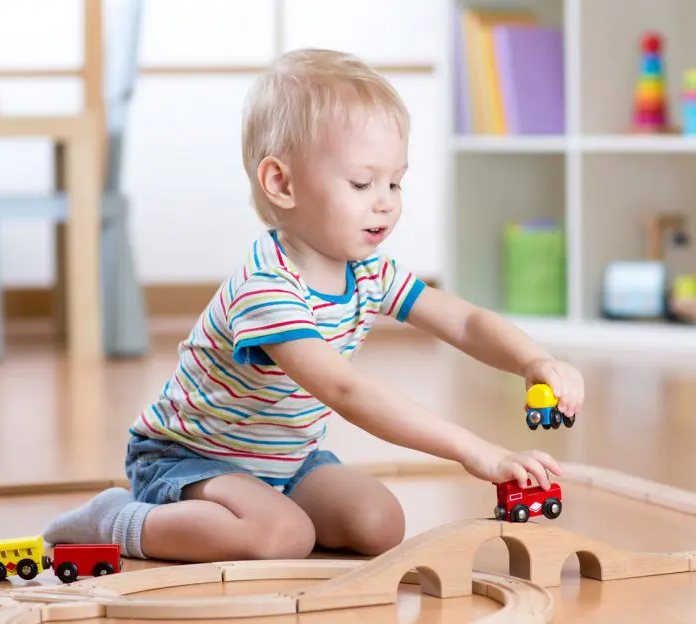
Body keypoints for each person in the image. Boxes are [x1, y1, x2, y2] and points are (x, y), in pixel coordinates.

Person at [42, 48, 584, 563]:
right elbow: (347, 390)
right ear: (281, 182)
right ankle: (113, 520)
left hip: (286, 460)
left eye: (396, 182)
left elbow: (463, 320)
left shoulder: (368, 270)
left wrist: (534, 361)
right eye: (361, 182)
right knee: (280, 535)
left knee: (378, 524)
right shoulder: (266, 288)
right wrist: (475, 450)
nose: (386, 202)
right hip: (190, 461)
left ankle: (264, 506)